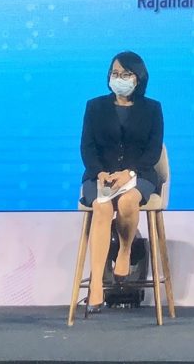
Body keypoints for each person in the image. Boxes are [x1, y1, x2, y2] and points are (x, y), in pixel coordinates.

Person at [79, 51, 163, 314]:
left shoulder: (152, 109)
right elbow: (87, 147)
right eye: (115, 73)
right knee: (102, 207)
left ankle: (125, 250)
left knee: (128, 202)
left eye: (126, 74)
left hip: (139, 175)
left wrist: (130, 173)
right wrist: (100, 172)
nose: (119, 78)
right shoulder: (94, 107)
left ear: (138, 78)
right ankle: (96, 284)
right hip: (101, 176)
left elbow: (153, 151)